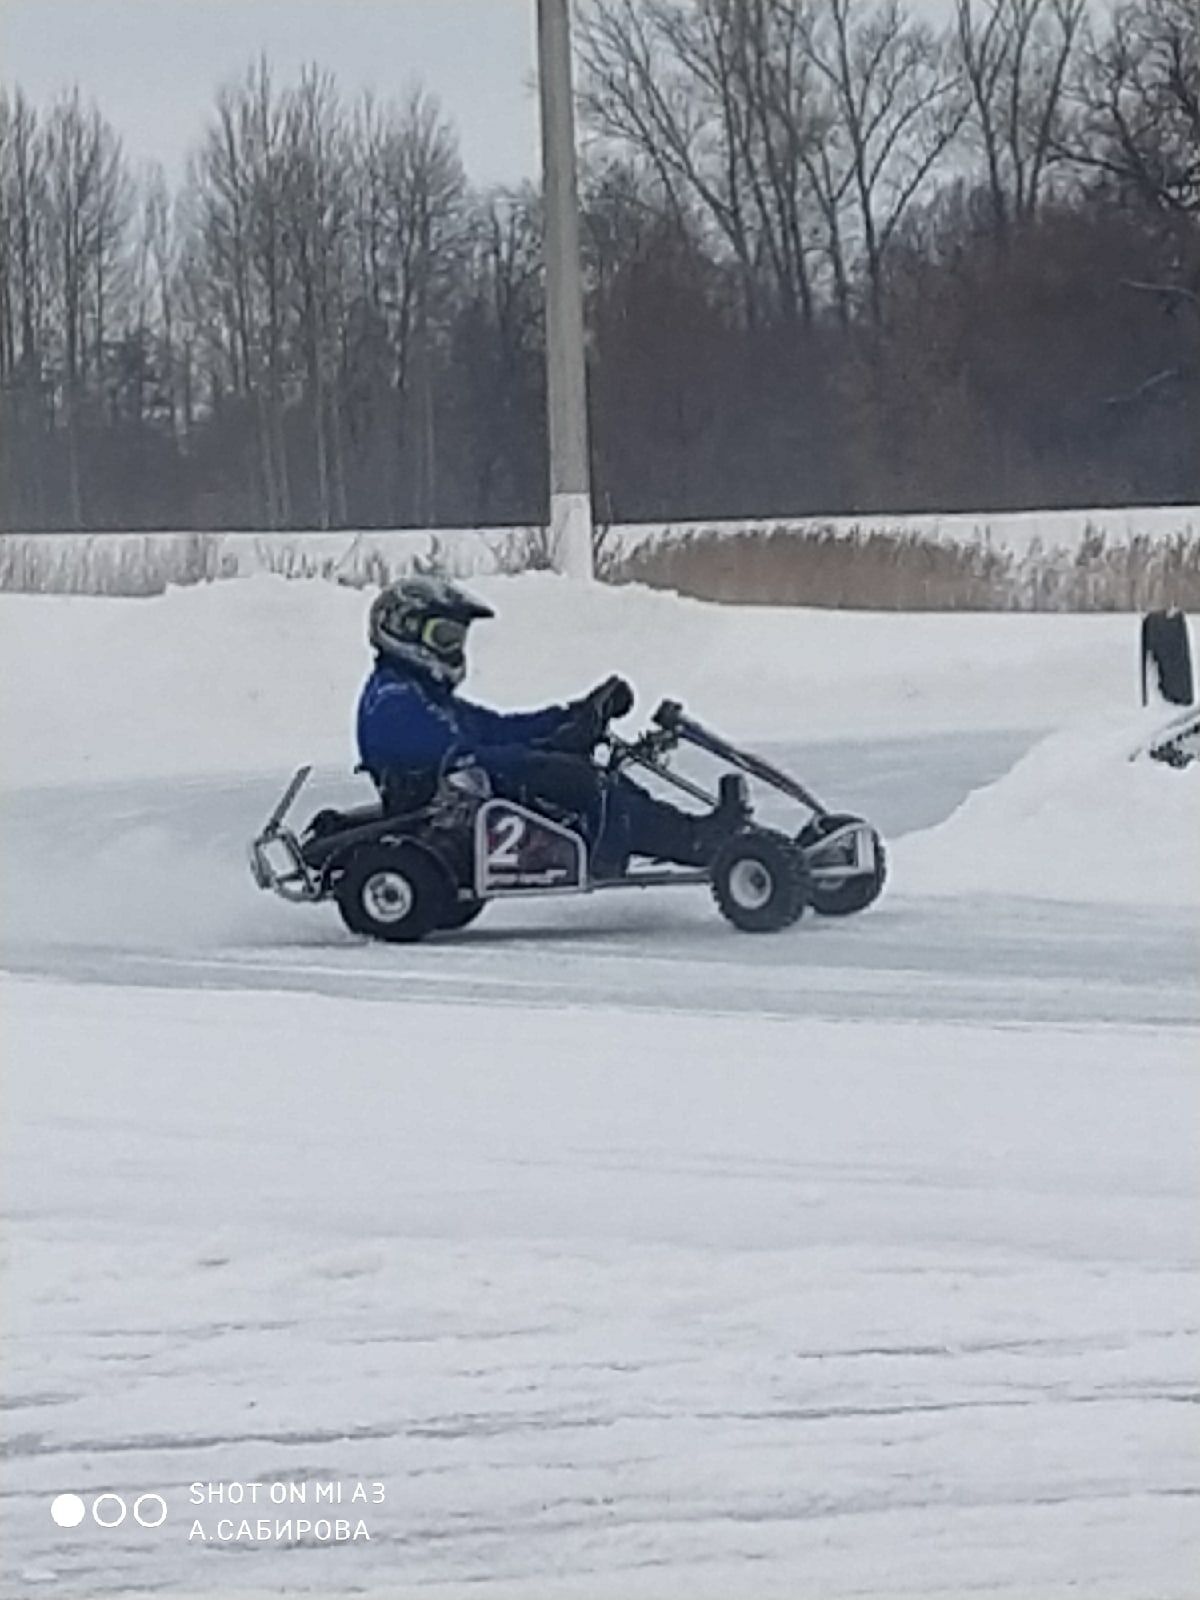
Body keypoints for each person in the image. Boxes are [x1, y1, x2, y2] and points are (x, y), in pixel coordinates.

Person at [356, 576, 745, 875]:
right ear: (402, 631)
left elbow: (494, 728)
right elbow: (459, 755)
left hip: (465, 786)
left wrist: (572, 716)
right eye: (444, 636)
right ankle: (694, 843)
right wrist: (552, 746)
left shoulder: (418, 693)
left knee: (592, 774)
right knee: (580, 780)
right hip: (442, 802)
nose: (454, 649)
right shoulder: (393, 701)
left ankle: (696, 836)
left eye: (458, 638)